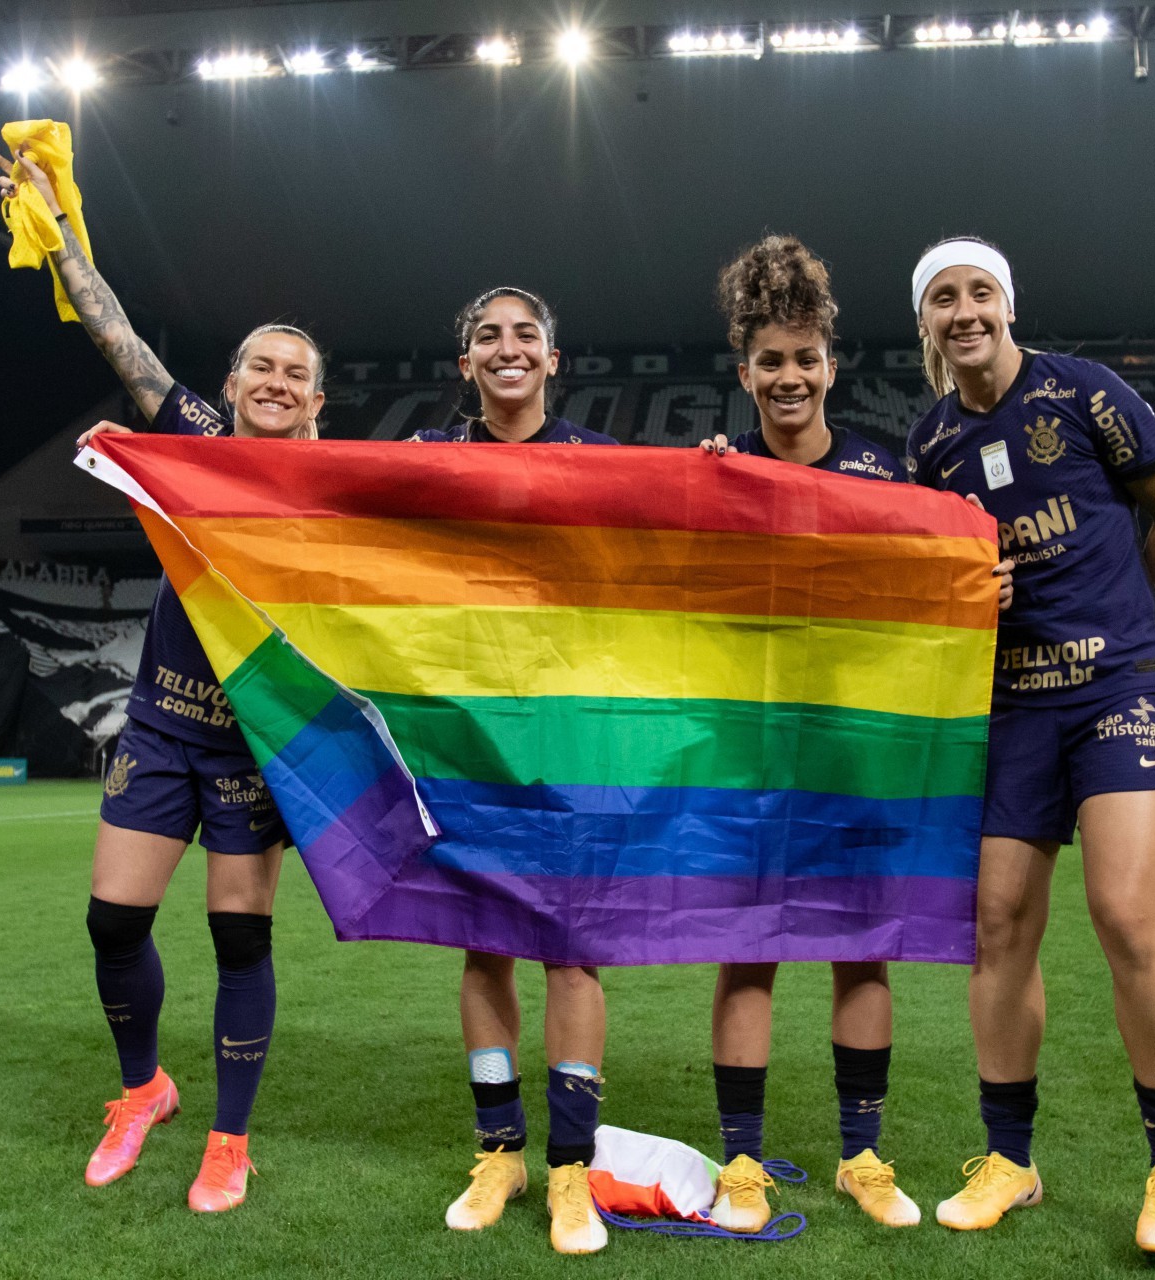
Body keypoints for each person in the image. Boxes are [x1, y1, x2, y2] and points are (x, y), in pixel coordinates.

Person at [0, 142, 326, 1213]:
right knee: (113, 922)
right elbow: (113, 328)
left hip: (256, 744)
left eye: (295, 372)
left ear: (320, 398)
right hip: (164, 730)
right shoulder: (199, 437)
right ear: (230, 386)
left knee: (239, 935)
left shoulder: (338, 489)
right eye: (259, 367)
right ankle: (145, 1089)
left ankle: (229, 1135)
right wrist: (58, 227)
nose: (275, 382)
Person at [694, 236, 1015, 1234]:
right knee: (746, 953)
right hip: (747, 753)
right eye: (769, 362)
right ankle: (741, 1161)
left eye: (805, 358)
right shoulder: (715, 474)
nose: (789, 378)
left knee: (861, 952)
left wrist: (982, 582)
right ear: (744, 372)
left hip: (857, 753)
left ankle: (860, 1154)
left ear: (831, 363)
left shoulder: (887, 470)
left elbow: (948, 566)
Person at [903, 238, 1155, 1256]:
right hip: (1012, 708)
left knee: (1127, 915)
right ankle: (1010, 1159)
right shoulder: (931, 444)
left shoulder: (1085, 392)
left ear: (1007, 302)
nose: (964, 310)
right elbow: (931, 580)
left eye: (979, 291)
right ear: (928, 323)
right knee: (996, 927)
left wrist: (1131, 619)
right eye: (943, 298)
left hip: (1119, 685)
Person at [416, 287, 620, 1256]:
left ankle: (572, 1167)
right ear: (467, 364)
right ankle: (500, 1149)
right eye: (488, 337)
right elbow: (304, 487)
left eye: (525, 335)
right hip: (465, 734)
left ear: (551, 358)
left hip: (575, 735)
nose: (508, 348)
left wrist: (718, 470)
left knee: (571, 946)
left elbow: (703, 521)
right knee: (483, 941)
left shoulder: (602, 462)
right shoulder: (425, 458)